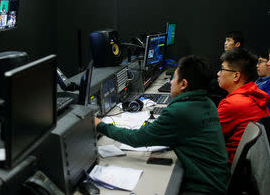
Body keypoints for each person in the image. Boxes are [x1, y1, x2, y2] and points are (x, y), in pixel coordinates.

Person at [95, 56, 230, 194]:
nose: (171, 82)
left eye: (174, 78)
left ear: (183, 84)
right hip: (218, 181)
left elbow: (136, 139)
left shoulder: (180, 111)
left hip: (204, 189)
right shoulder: (208, 103)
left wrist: (100, 125)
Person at [217, 48, 270, 164]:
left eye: (222, 70)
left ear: (236, 76)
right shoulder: (254, 93)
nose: (218, 73)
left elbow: (208, 137)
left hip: (225, 165)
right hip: (248, 165)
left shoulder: (233, 104)